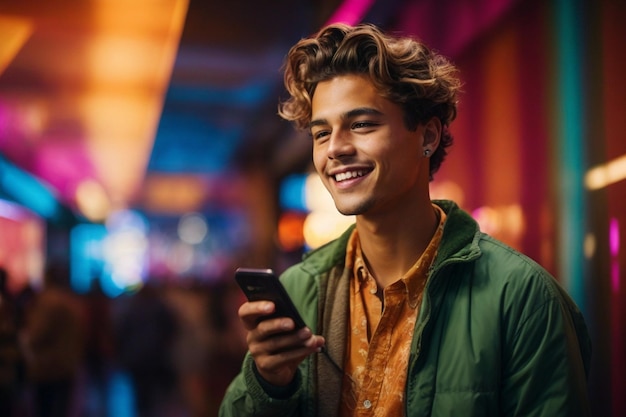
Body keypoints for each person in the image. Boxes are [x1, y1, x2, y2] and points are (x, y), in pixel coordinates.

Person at [219, 23, 591, 416]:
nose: (336, 149)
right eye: (321, 133)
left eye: (361, 124)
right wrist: (270, 383)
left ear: (427, 136)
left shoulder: (522, 298)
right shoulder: (300, 289)